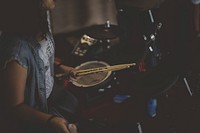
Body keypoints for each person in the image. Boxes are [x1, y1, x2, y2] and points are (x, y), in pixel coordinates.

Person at [0, 0, 79, 133]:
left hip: (49, 95)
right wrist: (51, 120)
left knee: (74, 104)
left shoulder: (39, 19)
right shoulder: (17, 51)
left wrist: (60, 67)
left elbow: (40, 59)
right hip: (33, 112)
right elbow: (15, 107)